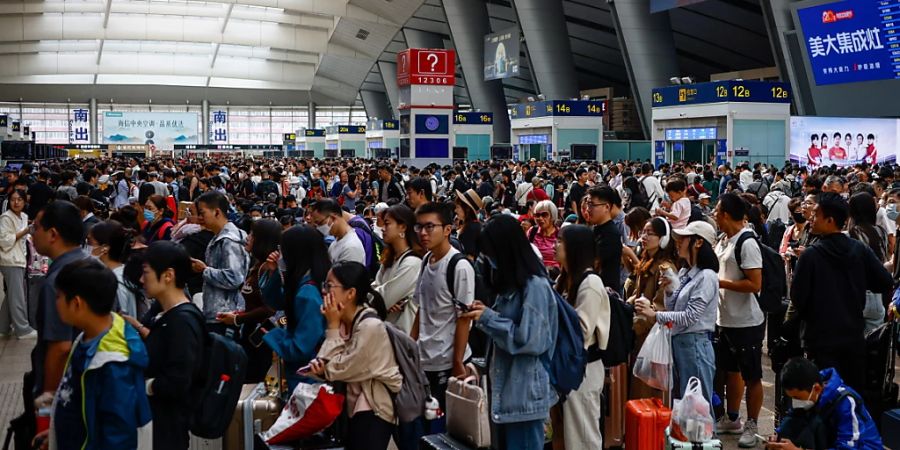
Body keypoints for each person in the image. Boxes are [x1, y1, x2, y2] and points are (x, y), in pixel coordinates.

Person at [459, 214, 557, 450]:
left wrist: (489, 318)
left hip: (524, 400)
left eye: (492, 254)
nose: (489, 260)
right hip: (506, 397)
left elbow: (531, 340)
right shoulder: (511, 287)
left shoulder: (535, 287)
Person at [36, 259, 152, 450]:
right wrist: (57, 433)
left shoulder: (113, 365)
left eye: (58, 297)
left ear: (76, 303)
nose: (55, 303)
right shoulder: (88, 337)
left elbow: (118, 438)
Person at [786, 192, 893, 394]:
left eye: (816, 215)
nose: (811, 218)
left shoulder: (810, 255)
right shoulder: (858, 249)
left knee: (824, 398)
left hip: (820, 340)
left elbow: (798, 298)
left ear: (830, 220)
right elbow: (884, 282)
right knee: (851, 397)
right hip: (853, 336)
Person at [307, 261, 402, 450]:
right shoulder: (343, 321)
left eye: (330, 286)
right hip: (352, 407)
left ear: (350, 293)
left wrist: (332, 327)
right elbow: (327, 363)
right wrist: (323, 368)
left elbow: (342, 368)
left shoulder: (370, 326)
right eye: (324, 285)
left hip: (373, 409)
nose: (324, 292)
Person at [127, 242, 204, 450]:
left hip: (168, 429)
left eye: (146, 272)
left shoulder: (182, 321)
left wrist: (145, 385)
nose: (142, 280)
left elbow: (178, 380)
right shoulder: (168, 316)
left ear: (168, 275)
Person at [634, 220, 718, 406]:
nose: (678, 242)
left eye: (683, 238)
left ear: (698, 242)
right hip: (681, 343)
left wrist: (655, 315)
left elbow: (689, 316)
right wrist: (670, 290)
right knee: (681, 405)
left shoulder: (706, 276)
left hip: (695, 345)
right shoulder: (686, 272)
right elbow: (674, 307)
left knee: (697, 408)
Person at [413, 201, 474, 431]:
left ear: (448, 229)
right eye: (419, 227)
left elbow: (464, 318)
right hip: (424, 359)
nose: (423, 233)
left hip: (448, 362)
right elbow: (421, 308)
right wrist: (412, 347)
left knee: (446, 430)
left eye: (430, 227)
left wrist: (458, 362)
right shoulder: (426, 262)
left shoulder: (458, 266)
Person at [713, 192, 765, 447]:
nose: (714, 214)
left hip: (747, 322)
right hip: (726, 319)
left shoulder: (747, 242)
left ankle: (752, 423)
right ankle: (732, 418)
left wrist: (719, 283)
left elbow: (755, 284)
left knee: (752, 375)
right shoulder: (724, 240)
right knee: (732, 372)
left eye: (716, 210)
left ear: (725, 214)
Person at [554, 224, 610, 450]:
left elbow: (581, 331)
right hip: (567, 367)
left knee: (583, 436)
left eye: (560, 240)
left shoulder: (590, 283)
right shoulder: (564, 279)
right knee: (566, 432)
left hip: (583, 369)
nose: (556, 245)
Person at [30, 201, 88, 400]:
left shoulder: (56, 283)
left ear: (53, 234)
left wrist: (47, 402)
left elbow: (61, 347)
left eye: (36, 227)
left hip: (66, 391)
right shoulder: (92, 265)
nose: (32, 233)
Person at [259, 226, 329, 391]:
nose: (280, 255)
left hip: (307, 378)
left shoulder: (308, 294)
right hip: (303, 375)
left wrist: (274, 335)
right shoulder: (304, 281)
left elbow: (300, 348)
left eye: (283, 250)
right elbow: (276, 301)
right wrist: (274, 273)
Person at [768, 358, 883, 450]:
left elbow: (848, 447)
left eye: (797, 397)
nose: (796, 401)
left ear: (817, 388)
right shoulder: (810, 387)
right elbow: (792, 421)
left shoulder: (845, 401)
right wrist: (778, 438)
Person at [624, 216, 677, 399]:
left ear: (663, 239)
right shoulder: (647, 261)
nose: (644, 237)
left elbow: (661, 307)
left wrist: (632, 327)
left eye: (650, 233)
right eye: (643, 232)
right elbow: (637, 294)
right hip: (639, 334)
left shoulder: (665, 268)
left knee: (648, 393)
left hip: (651, 336)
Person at [226, 219, 279, 383]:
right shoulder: (256, 265)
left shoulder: (267, 269)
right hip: (249, 336)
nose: (248, 237)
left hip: (260, 341)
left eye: (252, 234)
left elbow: (269, 308)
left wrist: (237, 319)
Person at [191, 191, 250, 329]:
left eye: (202, 213)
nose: (199, 218)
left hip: (224, 316)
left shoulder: (229, 240)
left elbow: (234, 277)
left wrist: (204, 270)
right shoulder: (219, 237)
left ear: (217, 212)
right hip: (219, 314)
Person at [372, 204, 423, 334]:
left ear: (403, 227)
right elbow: (375, 289)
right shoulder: (390, 257)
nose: (383, 229)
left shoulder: (412, 263)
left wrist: (384, 300)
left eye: (387, 224)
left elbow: (384, 298)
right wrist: (384, 300)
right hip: (386, 331)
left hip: (402, 336)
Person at [847, 192, 890, 334]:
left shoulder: (850, 234)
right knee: (873, 343)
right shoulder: (881, 232)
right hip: (877, 296)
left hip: (855, 294)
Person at [87, 221, 144, 318]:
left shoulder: (115, 282)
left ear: (104, 248)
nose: (87, 247)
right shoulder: (121, 272)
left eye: (89, 242)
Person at [0, 189, 36, 338]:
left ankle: (2, 328)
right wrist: (26, 230)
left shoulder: (24, 216)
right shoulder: (5, 218)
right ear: (9, 201)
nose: (16, 202)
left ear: (24, 201)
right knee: (17, 297)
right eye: (13, 199)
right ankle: (23, 330)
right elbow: (4, 240)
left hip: (21, 259)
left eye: (19, 199)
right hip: (10, 260)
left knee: (12, 296)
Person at [585, 185, 623, 293]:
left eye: (592, 205)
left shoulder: (611, 234)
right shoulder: (596, 229)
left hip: (604, 294)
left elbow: (593, 263)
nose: (588, 209)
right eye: (588, 204)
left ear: (607, 207)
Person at [310, 199, 366, 265]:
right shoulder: (337, 240)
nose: (318, 227)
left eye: (319, 223)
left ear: (333, 217)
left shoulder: (351, 247)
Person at [531, 200, 560, 270]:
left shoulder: (560, 234)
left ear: (552, 215)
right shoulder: (532, 231)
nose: (540, 218)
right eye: (537, 215)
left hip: (554, 274)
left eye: (544, 215)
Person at [454, 189, 483, 260]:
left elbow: (469, 258)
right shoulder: (473, 225)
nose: (455, 210)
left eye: (458, 207)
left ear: (467, 209)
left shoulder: (470, 228)